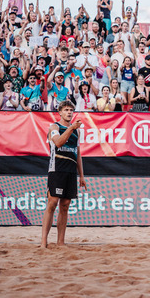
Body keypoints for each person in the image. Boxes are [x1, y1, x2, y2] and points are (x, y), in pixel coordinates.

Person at [41, 100, 87, 248]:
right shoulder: (54, 127)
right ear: (60, 112)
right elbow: (59, 143)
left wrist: (81, 176)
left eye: (71, 110)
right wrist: (71, 128)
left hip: (70, 170)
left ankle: (60, 242)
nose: (69, 112)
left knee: (65, 206)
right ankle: (43, 242)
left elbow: (78, 154)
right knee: (52, 203)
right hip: (57, 169)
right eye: (66, 110)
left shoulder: (77, 131)